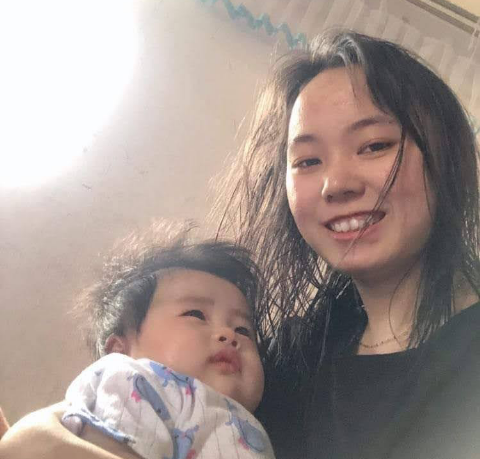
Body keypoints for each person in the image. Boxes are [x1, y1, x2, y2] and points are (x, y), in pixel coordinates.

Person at [2, 30, 480, 459]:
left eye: (374, 145)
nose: (335, 184)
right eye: (307, 161)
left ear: (447, 152)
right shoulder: (288, 357)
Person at [5, 224, 275, 459]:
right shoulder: (134, 380)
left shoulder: (252, 422)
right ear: (119, 350)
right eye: (196, 314)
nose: (229, 335)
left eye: (243, 330)